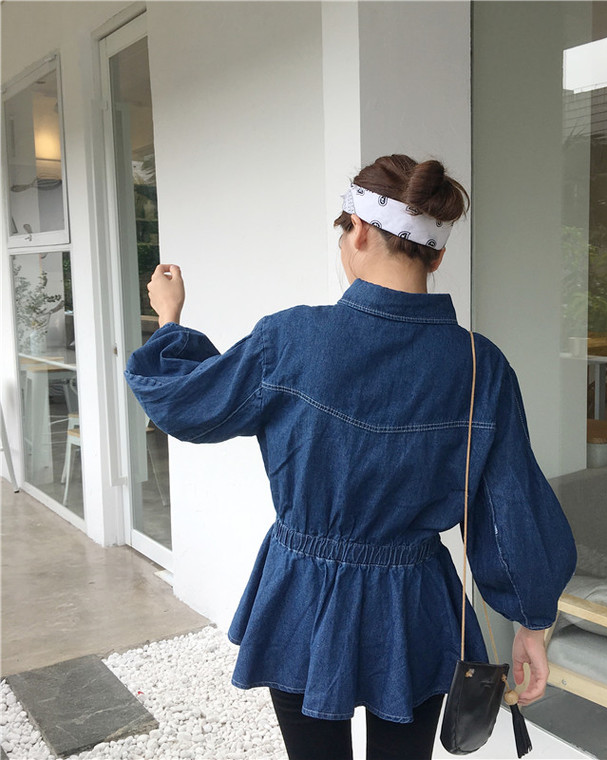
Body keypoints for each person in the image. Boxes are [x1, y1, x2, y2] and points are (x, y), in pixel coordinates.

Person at [125, 154, 576, 760]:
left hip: (303, 597)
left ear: (358, 231)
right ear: (438, 256)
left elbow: (187, 404)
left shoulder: (291, 340)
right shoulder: (480, 365)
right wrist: (532, 623)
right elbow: (510, 504)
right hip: (414, 605)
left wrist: (169, 321)